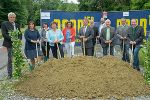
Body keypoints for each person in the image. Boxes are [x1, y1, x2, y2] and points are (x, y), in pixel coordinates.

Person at [1, 12, 22, 79]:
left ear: (15, 18)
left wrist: (19, 39)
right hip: (9, 44)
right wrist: (12, 39)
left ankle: (18, 72)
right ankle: (10, 75)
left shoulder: (17, 25)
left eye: (13, 17)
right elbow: (4, 34)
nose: (12, 18)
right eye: (11, 17)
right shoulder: (5, 24)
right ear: (8, 18)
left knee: (18, 58)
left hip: (17, 44)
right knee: (10, 59)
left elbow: (20, 33)